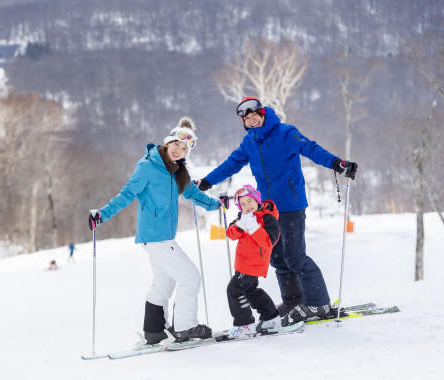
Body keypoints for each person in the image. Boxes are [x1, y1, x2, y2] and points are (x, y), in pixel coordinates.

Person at [196, 96, 358, 325]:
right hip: (267, 211)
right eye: (247, 119)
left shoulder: (286, 133)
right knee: (279, 258)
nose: (251, 121)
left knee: (296, 256)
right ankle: (293, 301)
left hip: (291, 205)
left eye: (254, 116)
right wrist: (207, 181)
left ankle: (319, 303)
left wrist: (337, 163)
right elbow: (231, 164)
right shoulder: (249, 143)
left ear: (262, 113)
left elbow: (311, 149)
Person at [88, 116, 226, 344]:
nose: (179, 151)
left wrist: (216, 204)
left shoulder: (178, 171)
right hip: (155, 237)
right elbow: (127, 195)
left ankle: (153, 330)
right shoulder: (148, 167)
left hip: (161, 237)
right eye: (177, 144)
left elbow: (193, 193)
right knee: (191, 278)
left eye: (184, 148)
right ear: (168, 142)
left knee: (165, 281)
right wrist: (102, 214)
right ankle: (185, 327)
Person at [222, 185, 282, 338]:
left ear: (257, 200)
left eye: (250, 201)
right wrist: (240, 225)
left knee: (234, 290)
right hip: (243, 263)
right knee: (251, 291)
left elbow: (269, 241)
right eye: (242, 204)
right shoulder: (243, 217)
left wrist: (253, 226)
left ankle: (244, 324)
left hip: (253, 263)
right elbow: (231, 234)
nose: (247, 206)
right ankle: (271, 318)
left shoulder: (267, 218)